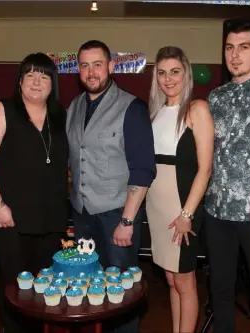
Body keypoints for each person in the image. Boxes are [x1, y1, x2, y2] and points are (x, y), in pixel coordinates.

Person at [0, 53, 69, 333]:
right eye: (30, 75)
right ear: (20, 81)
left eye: (44, 75)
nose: (37, 81)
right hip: (12, 218)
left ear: (53, 83)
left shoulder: (60, 115)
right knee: (17, 287)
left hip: (51, 218)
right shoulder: (2, 110)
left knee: (46, 286)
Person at [66, 40, 156, 333]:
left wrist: (127, 221)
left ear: (111, 66)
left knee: (121, 292)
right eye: (84, 65)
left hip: (117, 214)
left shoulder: (132, 107)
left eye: (97, 64)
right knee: (88, 285)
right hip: (83, 214)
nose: (91, 72)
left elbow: (143, 170)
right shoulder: (75, 106)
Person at [204, 21, 250, 333]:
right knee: (220, 288)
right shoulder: (216, 97)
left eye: (243, 47)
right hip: (217, 210)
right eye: (229, 48)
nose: (234, 55)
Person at [146, 46, 214, 333]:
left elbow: (205, 168)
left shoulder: (197, 108)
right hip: (156, 207)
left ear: (186, 73)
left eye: (174, 71)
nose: (168, 78)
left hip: (182, 208)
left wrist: (187, 213)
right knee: (171, 280)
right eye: (162, 73)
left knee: (185, 280)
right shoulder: (156, 112)